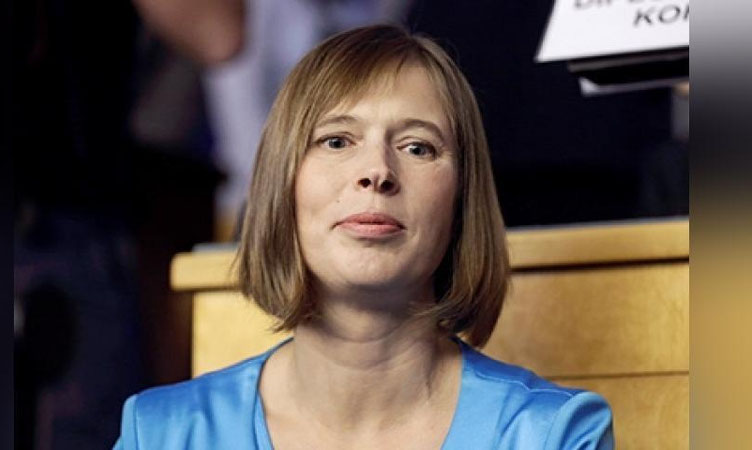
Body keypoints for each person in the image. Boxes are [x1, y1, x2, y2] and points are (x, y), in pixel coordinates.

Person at [113, 25, 614, 449]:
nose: (377, 171)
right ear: (282, 184)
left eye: (417, 147)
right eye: (336, 141)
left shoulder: (553, 433)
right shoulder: (160, 433)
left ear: (463, 200)